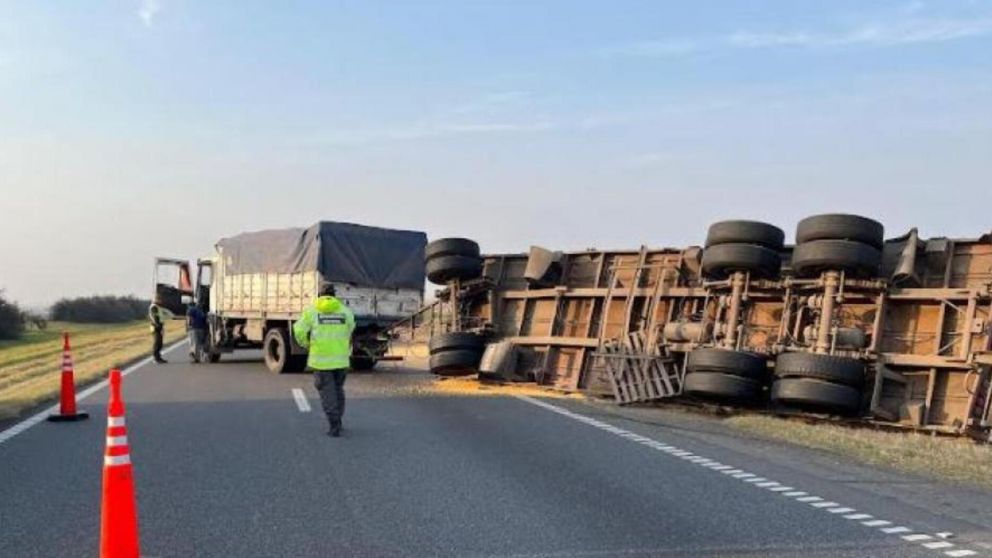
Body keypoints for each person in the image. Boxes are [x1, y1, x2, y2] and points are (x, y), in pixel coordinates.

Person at [293, 283, 356, 437]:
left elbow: (298, 330)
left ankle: (334, 425)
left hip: (321, 362)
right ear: (334, 295)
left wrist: (306, 343)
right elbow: (351, 328)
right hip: (341, 361)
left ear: (319, 295)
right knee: (337, 390)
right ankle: (338, 420)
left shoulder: (312, 311)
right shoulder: (345, 311)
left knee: (328, 393)